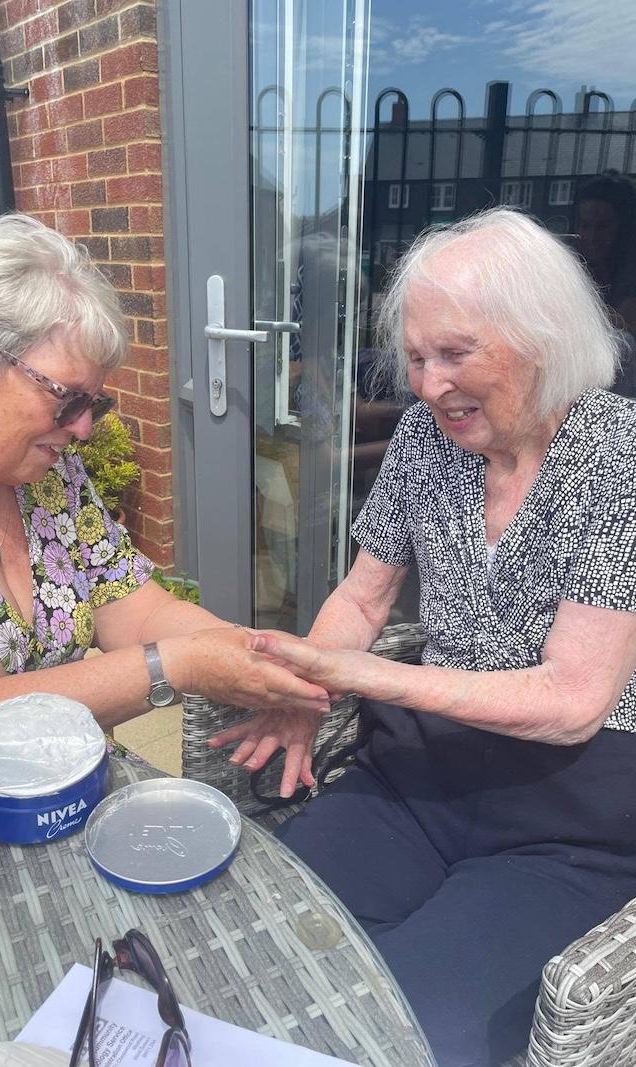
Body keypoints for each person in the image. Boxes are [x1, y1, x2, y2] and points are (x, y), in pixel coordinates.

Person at [213, 208, 636, 1066]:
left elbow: (572, 702)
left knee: (406, 1036)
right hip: (414, 776)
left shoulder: (619, 460)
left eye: (456, 353)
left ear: (542, 337)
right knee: (259, 947)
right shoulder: (425, 442)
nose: (428, 384)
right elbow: (364, 601)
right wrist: (308, 691)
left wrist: (359, 677)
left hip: (563, 816)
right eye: (415, 358)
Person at [0, 214, 330, 741]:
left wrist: (262, 658)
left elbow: (135, 611)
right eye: (67, 397)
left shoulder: (38, 467)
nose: (84, 428)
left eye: (94, 402)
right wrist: (175, 667)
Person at [574, 171, 636, 395]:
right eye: (585, 225)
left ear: (624, 228)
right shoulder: (575, 264)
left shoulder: (630, 272)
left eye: (603, 227)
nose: (591, 237)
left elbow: (624, 324)